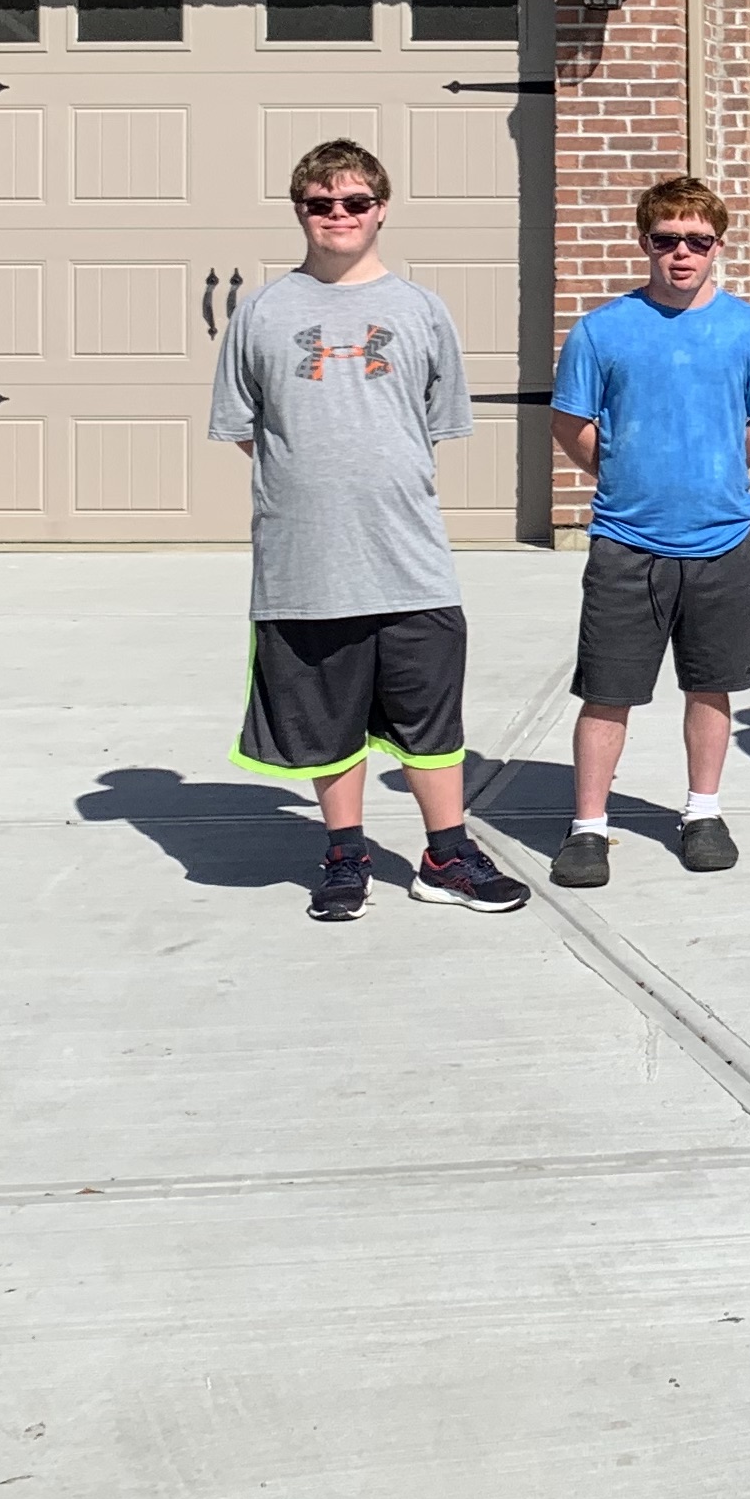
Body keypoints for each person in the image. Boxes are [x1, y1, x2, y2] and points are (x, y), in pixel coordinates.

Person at [213, 138, 529, 923]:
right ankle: (345, 851)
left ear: (381, 208)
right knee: (326, 719)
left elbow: (432, 421)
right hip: (303, 561)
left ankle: (445, 853)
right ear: (300, 212)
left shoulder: (421, 311)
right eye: (321, 204)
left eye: (355, 202)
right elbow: (251, 430)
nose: (338, 217)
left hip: (409, 556)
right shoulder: (261, 312)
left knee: (430, 716)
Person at [545, 176, 750, 888]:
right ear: (644, 243)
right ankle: (589, 825)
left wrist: (719, 464)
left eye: (697, 241)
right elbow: (571, 423)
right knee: (607, 690)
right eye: (666, 241)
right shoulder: (603, 330)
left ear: (718, 246)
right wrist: (622, 472)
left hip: (720, 540)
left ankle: (703, 811)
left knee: (711, 686)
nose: (681, 254)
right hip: (627, 542)